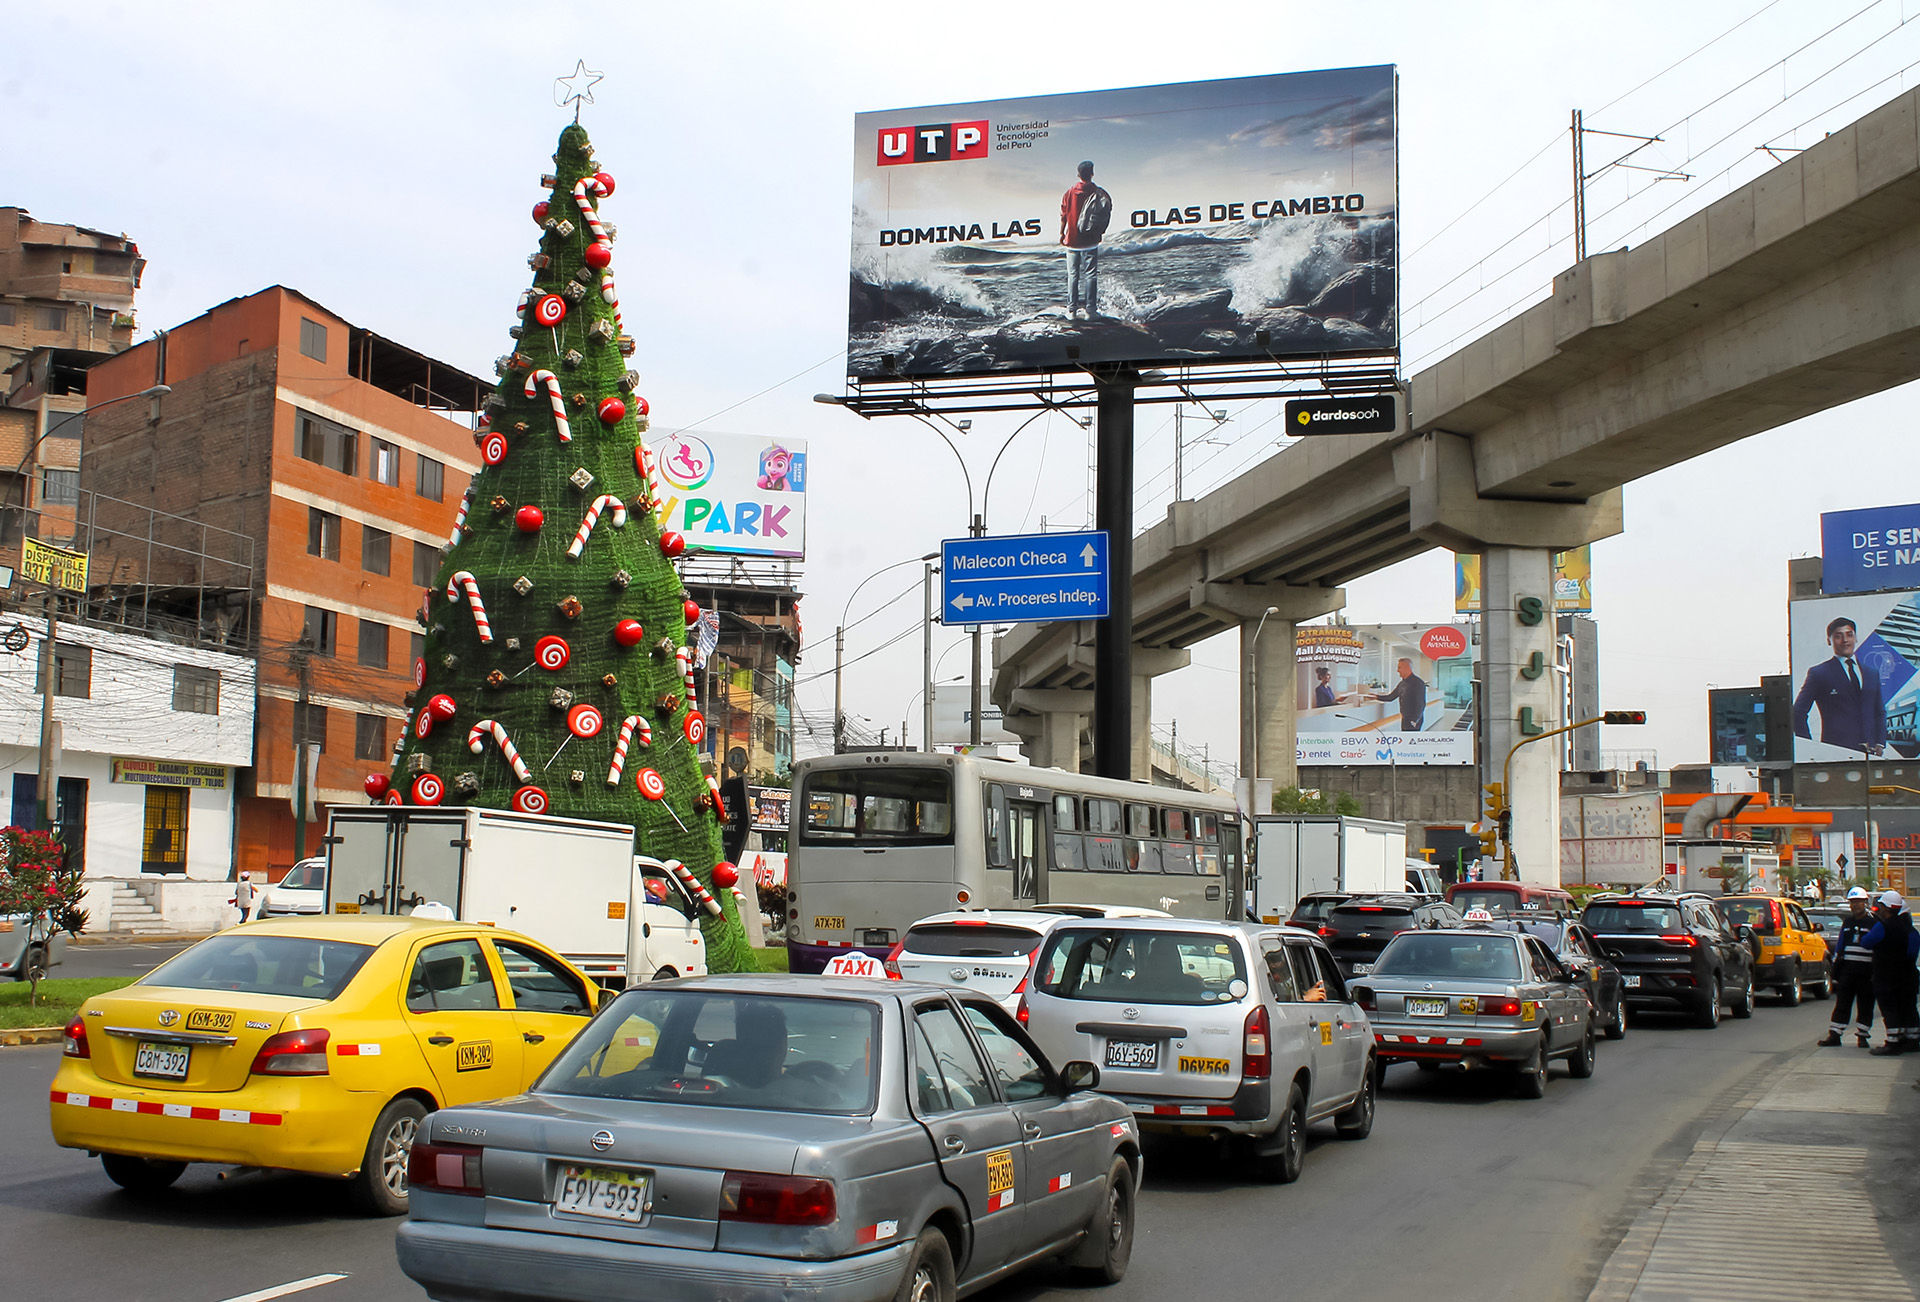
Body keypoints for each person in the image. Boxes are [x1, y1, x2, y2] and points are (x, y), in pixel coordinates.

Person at [1792, 617, 1886, 754]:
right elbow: (1798, 712)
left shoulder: (1871, 673)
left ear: (1856, 638)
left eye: (1849, 634)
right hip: (1836, 753)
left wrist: (1880, 743)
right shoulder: (1819, 673)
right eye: (1838, 636)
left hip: (1871, 753)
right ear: (1829, 640)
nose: (1845, 640)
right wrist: (1810, 746)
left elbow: (1879, 712)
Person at [1819, 886, 1877, 1047]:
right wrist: (1837, 966)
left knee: (1866, 1004)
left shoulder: (1873, 923)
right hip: (1848, 970)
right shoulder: (1848, 922)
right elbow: (1841, 945)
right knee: (1842, 1002)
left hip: (1866, 971)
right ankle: (1835, 1035)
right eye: (1852, 902)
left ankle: (1863, 1036)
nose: (1855, 905)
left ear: (1865, 902)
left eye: (1858, 902)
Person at [1864, 890, 1919, 1055]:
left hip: (1885, 974)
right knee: (1906, 1008)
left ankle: (1893, 1042)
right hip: (1905, 975)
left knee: (1889, 1008)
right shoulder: (1908, 930)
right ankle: (1911, 1039)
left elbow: (1866, 942)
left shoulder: (1883, 926)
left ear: (1885, 908)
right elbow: (1911, 953)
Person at [1059, 161, 1110, 320]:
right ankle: (1090, 311)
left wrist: (1062, 233)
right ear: (1092, 173)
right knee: (1091, 275)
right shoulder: (1099, 192)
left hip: (1072, 240)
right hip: (1091, 240)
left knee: (1073, 275)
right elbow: (1106, 211)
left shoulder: (1069, 192)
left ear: (1078, 175)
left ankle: (1072, 311)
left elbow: (1064, 215)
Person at [1368, 658, 1429, 732]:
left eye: (1399, 667)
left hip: (1414, 721)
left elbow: (1421, 704)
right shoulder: (1402, 684)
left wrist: (1414, 721)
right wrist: (1376, 697)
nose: (1397, 670)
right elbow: (1391, 697)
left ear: (1407, 668)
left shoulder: (1418, 683)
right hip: (1405, 719)